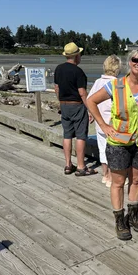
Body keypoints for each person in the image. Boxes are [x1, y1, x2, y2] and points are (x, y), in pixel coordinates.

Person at [86, 50, 138, 240]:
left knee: (137, 181)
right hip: (118, 143)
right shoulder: (116, 85)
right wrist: (103, 125)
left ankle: (132, 216)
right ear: (129, 62)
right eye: (135, 60)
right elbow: (91, 101)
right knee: (117, 182)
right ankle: (119, 220)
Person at [54, 42, 97, 176]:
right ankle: (81, 166)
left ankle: (68, 164)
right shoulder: (78, 72)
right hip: (77, 104)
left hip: (64, 104)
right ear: (77, 55)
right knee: (80, 136)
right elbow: (83, 93)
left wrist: (60, 101)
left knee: (67, 135)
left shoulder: (58, 69)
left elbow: (57, 88)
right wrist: (90, 109)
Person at [87, 55, 122, 187]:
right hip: (112, 123)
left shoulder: (97, 82)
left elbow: (90, 100)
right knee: (114, 151)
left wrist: (91, 114)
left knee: (102, 149)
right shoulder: (117, 83)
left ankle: (105, 175)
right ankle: (112, 177)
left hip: (99, 121)